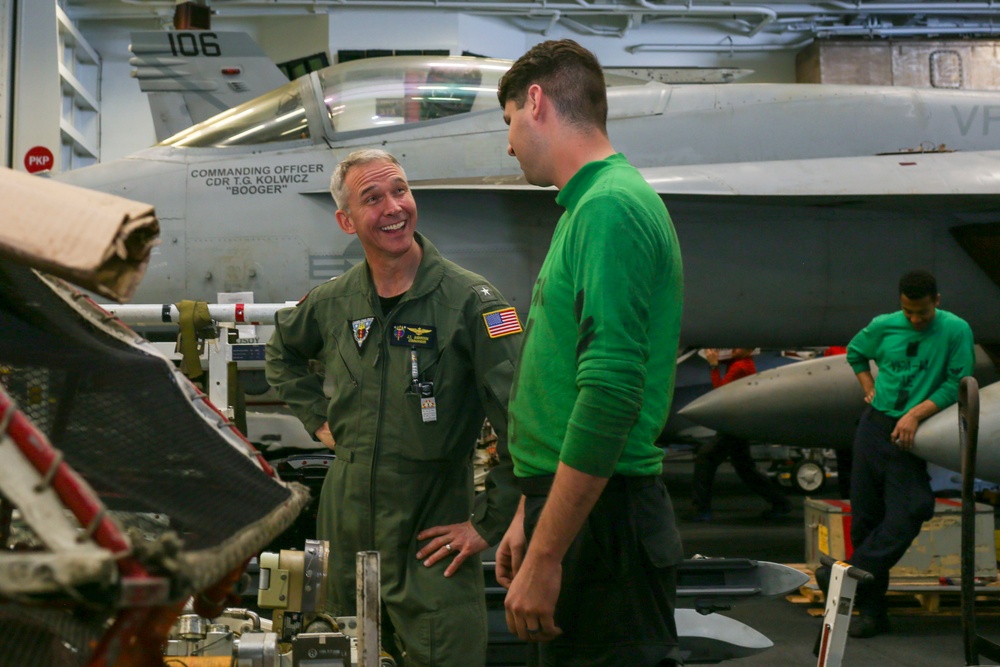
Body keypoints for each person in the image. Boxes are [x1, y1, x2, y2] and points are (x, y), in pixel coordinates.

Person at [265, 149, 522, 666]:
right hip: (344, 529)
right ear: (346, 221)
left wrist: (489, 521)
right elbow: (281, 352)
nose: (393, 207)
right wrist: (318, 420)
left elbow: (523, 417)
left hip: (429, 532)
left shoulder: (472, 302)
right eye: (373, 198)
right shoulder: (335, 301)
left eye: (400, 190)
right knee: (337, 652)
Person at [494, 39, 685, 666]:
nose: (509, 144)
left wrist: (548, 554)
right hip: (583, 512)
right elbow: (565, 383)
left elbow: (609, 394)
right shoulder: (588, 206)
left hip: (606, 533)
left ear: (537, 102)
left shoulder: (609, 209)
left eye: (509, 122)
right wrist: (531, 509)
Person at [822, 269, 974, 639]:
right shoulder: (884, 325)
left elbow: (958, 383)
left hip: (911, 434)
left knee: (913, 507)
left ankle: (844, 573)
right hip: (875, 426)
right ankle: (872, 613)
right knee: (866, 521)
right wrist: (868, 386)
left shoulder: (956, 330)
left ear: (937, 301)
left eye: (923, 313)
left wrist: (915, 415)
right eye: (909, 313)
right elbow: (856, 353)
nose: (916, 320)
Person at [688, 348, 791, 522]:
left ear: (749, 350)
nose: (734, 348)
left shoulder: (740, 367)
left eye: (739, 346)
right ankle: (781, 503)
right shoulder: (741, 362)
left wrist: (713, 366)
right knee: (745, 468)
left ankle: (702, 510)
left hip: (733, 424)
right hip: (738, 422)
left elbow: (720, 392)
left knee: (705, 459)